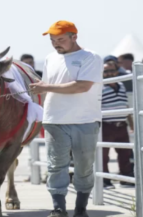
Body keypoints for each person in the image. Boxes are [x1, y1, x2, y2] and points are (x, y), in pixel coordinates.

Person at [30, 21, 103, 217]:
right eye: (53, 40)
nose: (56, 44)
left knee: (84, 165)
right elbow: (44, 88)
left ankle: (81, 209)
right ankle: (58, 209)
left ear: (74, 37)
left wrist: (45, 88)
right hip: (54, 119)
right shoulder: (49, 58)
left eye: (60, 39)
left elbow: (82, 87)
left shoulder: (91, 57)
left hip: (85, 120)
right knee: (55, 166)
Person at [101, 61, 135, 189]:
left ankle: (126, 178)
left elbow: (125, 106)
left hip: (121, 125)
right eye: (106, 71)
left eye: (112, 70)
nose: (109, 74)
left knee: (125, 153)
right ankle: (105, 180)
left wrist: (131, 124)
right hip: (106, 125)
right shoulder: (100, 87)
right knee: (103, 155)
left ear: (117, 71)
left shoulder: (121, 84)